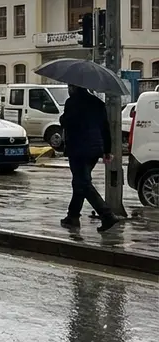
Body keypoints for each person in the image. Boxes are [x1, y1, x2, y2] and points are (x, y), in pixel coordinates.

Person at [59, 85, 118, 232]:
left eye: (69, 86)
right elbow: (105, 127)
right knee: (79, 182)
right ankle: (72, 216)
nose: (68, 89)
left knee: (83, 183)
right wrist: (107, 150)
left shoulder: (72, 102)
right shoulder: (97, 103)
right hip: (95, 149)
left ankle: (107, 215)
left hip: (78, 148)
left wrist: (62, 117)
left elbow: (67, 123)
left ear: (73, 87)